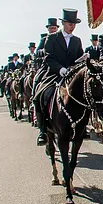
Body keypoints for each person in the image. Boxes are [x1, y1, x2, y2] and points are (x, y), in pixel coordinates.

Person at [34, 9, 84, 145]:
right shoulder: (52, 38)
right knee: (40, 95)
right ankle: (42, 130)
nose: (72, 27)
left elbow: (78, 58)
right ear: (63, 23)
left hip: (71, 75)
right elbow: (48, 58)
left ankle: (82, 126)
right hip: (54, 74)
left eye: (74, 24)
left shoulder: (77, 40)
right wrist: (60, 69)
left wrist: (82, 59)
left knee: (84, 94)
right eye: (69, 24)